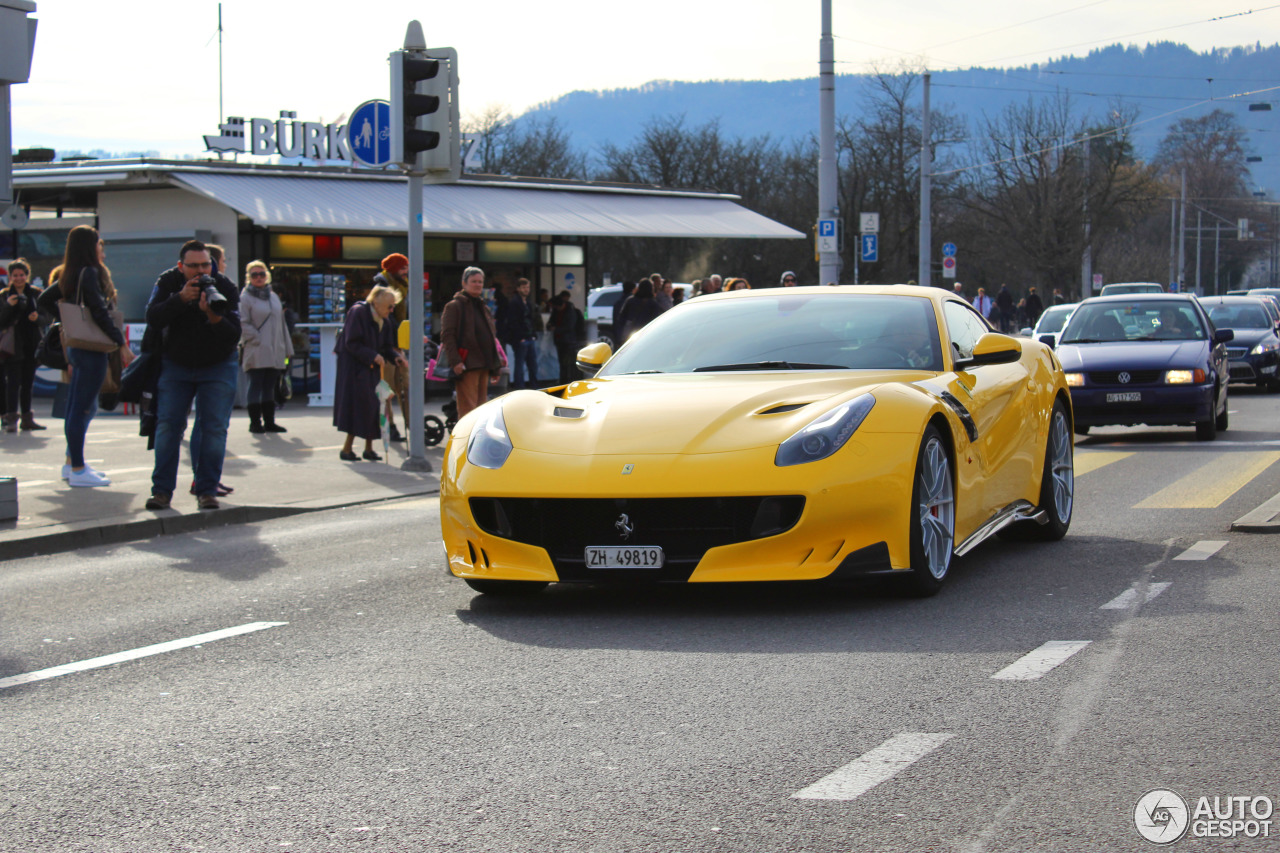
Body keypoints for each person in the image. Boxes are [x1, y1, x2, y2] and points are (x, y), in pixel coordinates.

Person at [143, 239, 242, 511]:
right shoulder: (168, 281)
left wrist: (214, 317)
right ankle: (161, 491)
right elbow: (152, 317)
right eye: (194, 266)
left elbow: (235, 334)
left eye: (205, 264)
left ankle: (207, 490)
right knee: (168, 427)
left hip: (218, 364)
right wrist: (180, 299)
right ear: (180, 266)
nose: (201, 271)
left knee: (213, 429)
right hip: (177, 364)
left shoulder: (224, 286)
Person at [58, 226, 128, 487]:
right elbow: (99, 311)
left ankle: (71, 464)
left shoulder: (70, 273)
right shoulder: (89, 273)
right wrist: (120, 341)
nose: (102, 249)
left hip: (77, 346)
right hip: (91, 348)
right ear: (90, 246)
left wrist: (64, 323)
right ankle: (77, 468)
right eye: (99, 244)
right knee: (82, 409)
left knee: (77, 407)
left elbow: (45, 300)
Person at [333, 284, 408, 460]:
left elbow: (386, 346)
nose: (391, 310)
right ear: (375, 302)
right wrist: (373, 355)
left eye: (393, 306)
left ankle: (368, 448)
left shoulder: (385, 320)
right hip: (354, 369)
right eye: (389, 306)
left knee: (374, 406)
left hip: (371, 367)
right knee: (358, 406)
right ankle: (347, 449)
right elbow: (351, 342)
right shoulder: (358, 312)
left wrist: (394, 357)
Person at [238, 260, 293, 434]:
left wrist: (287, 348)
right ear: (249, 278)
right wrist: (256, 338)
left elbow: (281, 323)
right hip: (256, 348)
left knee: (270, 385)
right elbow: (242, 322)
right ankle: (255, 423)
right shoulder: (245, 297)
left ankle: (270, 422)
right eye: (254, 275)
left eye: (262, 274)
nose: (259, 278)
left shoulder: (273, 296)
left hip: (275, 348)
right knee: (255, 384)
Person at [441, 266, 503, 418]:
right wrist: (455, 361)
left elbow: (491, 337)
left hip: (484, 365)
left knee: (481, 410)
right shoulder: (454, 306)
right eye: (473, 281)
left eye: (480, 282)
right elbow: (447, 336)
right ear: (464, 283)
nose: (477, 284)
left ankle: (477, 441)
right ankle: (467, 441)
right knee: (468, 411)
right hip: (466, 365)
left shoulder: (483, 307)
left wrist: (495, 367)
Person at [0, 259, 47, 432]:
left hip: (31, 342)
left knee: (28, 383)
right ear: (10, 277)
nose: (19, 278)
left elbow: (46, 317)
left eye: (22, 275)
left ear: (27, 276)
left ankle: (27, 418)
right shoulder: (4, 295)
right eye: (15, 275)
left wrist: (38, 319)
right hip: (12, 345)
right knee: (12, 382)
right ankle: (11, 418)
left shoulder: (36, 294)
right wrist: (8, 306)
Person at [372, 253, 411, 440]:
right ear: (394, 268)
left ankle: (413, 426)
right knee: (387, 390)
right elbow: (386, 320)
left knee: (405, 386)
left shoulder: (402, 286)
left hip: (398, 345)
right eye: (403, 268)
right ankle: (390, 427)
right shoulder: (382, 288)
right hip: (385, 347)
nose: (406, 272)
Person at [496, 276, 542, 389]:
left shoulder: (527, 303)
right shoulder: (514, 303)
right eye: (524, 287)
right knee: (520, 364)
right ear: (518, 288)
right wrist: (520, 337)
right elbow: (513, 322)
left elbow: (531, 320)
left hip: (529, 337)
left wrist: (533, 335)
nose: (526, 289)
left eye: (527, 287)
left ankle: (532, 385)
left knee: (532, 365)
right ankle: (520, 386)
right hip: (521, 338)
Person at [548, 291, 585, 383]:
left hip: (568, 341)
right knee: (562, 362)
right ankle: (563, 379)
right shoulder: (556, 311)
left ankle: (567, 379)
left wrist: (556, 329)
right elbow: (551, 320)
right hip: (560, 340)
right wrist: (550, 326)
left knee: (568, 362)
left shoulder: (570, 312)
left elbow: (569, 327)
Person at [616, 279, 661, 344]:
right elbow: (656, 321)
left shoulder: (630, 301)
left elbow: (621, 318)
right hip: (647, 334)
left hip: (630, 334)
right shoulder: (653, 304)